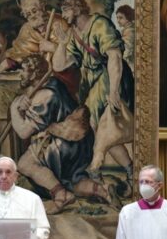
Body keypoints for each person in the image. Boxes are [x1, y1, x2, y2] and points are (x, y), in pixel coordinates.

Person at [46, 0, 136, 195]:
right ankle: (129, 171)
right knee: (100, 129)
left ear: (76, 8)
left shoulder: (100, 24)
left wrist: (113, 90)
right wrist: (60, 44)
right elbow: (60, 65)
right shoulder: (74, 32)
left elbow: (114, 57)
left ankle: (96, 169)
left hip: (111, 78)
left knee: (94, 123)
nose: (63, 15)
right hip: (92, 83)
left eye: (65, 10)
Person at [10, 54, 114, 213]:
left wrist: (13, 110)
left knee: (25, 164)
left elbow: (24, 132)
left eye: (23, 71)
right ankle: (102, 190)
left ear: (34, 74)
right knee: (72, 179)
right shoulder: (55, 84)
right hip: (82, 144)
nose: (20, 75)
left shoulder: (44, 96)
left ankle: (61, 195)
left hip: (64, 144)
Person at [115, 5, 135, 74]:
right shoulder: (126, 30)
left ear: (128, 17)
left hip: (130, 67)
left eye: (121, 18)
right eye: (117, 18)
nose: (118, 21)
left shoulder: (130, 31)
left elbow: (127, 51)